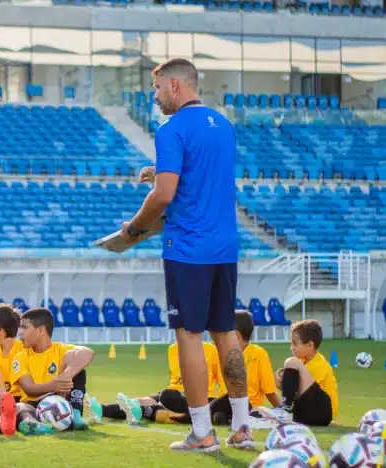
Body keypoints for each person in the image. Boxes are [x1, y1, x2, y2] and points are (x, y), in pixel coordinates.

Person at [120, 57, 251, 452]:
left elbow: (164, 195)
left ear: (176, 85)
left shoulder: (171, 127)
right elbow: (200, 173)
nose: (154, 96)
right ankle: (243, 427)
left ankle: (203, 432)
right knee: (226, 333)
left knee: (188, 336)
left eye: (157, 88)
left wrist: (133, 229)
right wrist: (159, 168)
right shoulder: (223, 125)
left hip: (188, 249)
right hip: (224, 247)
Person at [11, 308, 103, 431]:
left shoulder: (61, 349)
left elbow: (87, 352)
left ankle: (75, 413)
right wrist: (53, 386)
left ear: (40, 330)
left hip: (61, 403)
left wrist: (66, 376)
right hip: (34, 404)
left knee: (78, 368)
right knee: (19, 407)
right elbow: (28, 389)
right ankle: (32, 424)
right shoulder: (20, 357)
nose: (20, 333)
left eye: (24, 328)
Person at [108, 340, 226, 425]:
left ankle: (151, 412)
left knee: (161, 400)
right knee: (142, 400)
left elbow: (222, 381)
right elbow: (175, 379)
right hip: (174, 394)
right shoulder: (173, 349)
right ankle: (101, 409)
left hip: (198, 397)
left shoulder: (211, 350)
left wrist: (221, 402)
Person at [207, 310, 281, 425]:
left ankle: (186, 416)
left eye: (225, 333)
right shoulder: (222, 353)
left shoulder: (258, 354)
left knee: (232, 395)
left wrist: (281, 413)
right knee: (218, 413)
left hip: (248, 406)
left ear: (236, 335)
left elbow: (270, 391)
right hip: (226, 404)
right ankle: (227, 419)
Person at [262, 320, 337, 427]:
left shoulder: (319, 364)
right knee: (292, 364)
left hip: (322, 411)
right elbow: (299, 393)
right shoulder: (302, 363)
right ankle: (285, 411)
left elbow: (300, 392)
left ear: (310, 345)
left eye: (295, 343)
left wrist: (282, 385)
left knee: (291, 362)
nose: (291, 347)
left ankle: (285, 410)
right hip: (307, 413)